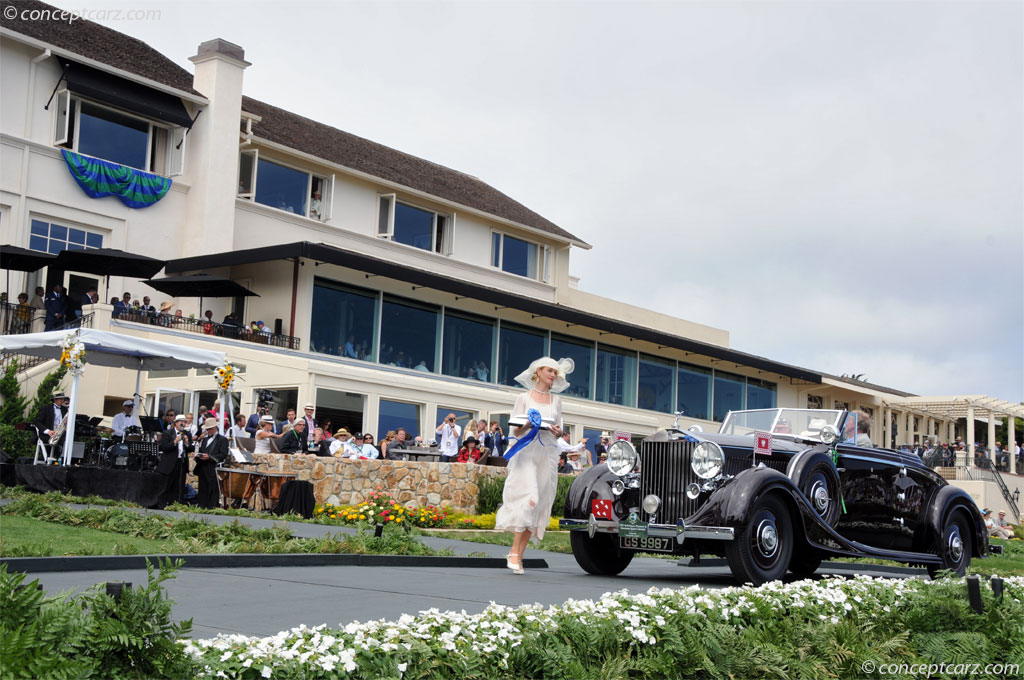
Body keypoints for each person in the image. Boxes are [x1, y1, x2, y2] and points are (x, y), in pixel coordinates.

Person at [496, 356, 573, 575]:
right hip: (527, 454)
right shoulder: (523, 398)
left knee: (538, 505)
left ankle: (518, 556)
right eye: (549, 370)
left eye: (555, 372)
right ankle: (513, 552)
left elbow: (559, 431)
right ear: (538, 372)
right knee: (530, 500)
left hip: (546, 455)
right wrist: (528, 424)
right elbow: (515, 432)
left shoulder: (556, 402)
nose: (552, 375)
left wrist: (558, 433)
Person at [157, 414, 193, 508]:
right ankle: (161, 506)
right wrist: (174, 442)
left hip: (181, 462)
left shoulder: (187, 434)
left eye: (185, 422)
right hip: (169, 464)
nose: (183, 423)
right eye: (181, 421)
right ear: (176, 423)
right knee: (166, 486)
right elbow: (164, 448)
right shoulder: (167, 433)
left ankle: (176, 506)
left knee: (179, 486)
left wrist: (186, 442)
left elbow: (191, 448)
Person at [193, 417, 228, 508]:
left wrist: (210, 457)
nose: (208, 431)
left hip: (213, 467)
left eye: (210, 429)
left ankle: (211, 507)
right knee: (202, 488)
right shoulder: (204, 440)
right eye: (207, 429)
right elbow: (202, 450)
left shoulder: (222, 439)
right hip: (203, 467)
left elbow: (223, 454)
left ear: (215, 428)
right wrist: (198, 456)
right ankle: (202, 506)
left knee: (212, 489)